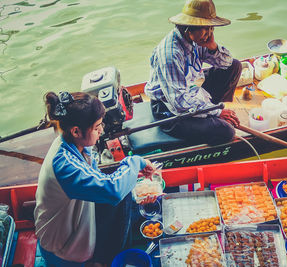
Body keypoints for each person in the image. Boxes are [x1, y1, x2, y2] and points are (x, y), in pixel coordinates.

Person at [34, 91, 156, 267]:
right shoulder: (65, 165)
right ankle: (101, 261)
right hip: (61, 247)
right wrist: (136, 161)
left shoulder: (76, 146)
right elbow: (112, 190)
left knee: (126, 194)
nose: (102, 130)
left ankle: (103, 257)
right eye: (97, 126)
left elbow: (102, 181)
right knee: (119, 192)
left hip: (76, 223)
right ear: (76, 131)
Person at [144, 0, 242, 146]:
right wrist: (216, 112)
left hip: (191, 92)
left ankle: (211, 114)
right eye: (206, 29)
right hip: (169, 111)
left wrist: (213, 47)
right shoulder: (170, 55)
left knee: (234, 66)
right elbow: (179, 103)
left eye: (211, 28)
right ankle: (213, 117)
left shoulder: (198, 40)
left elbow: (226, 62)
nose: (209, 34)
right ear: (189, 29)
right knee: (226, 132)